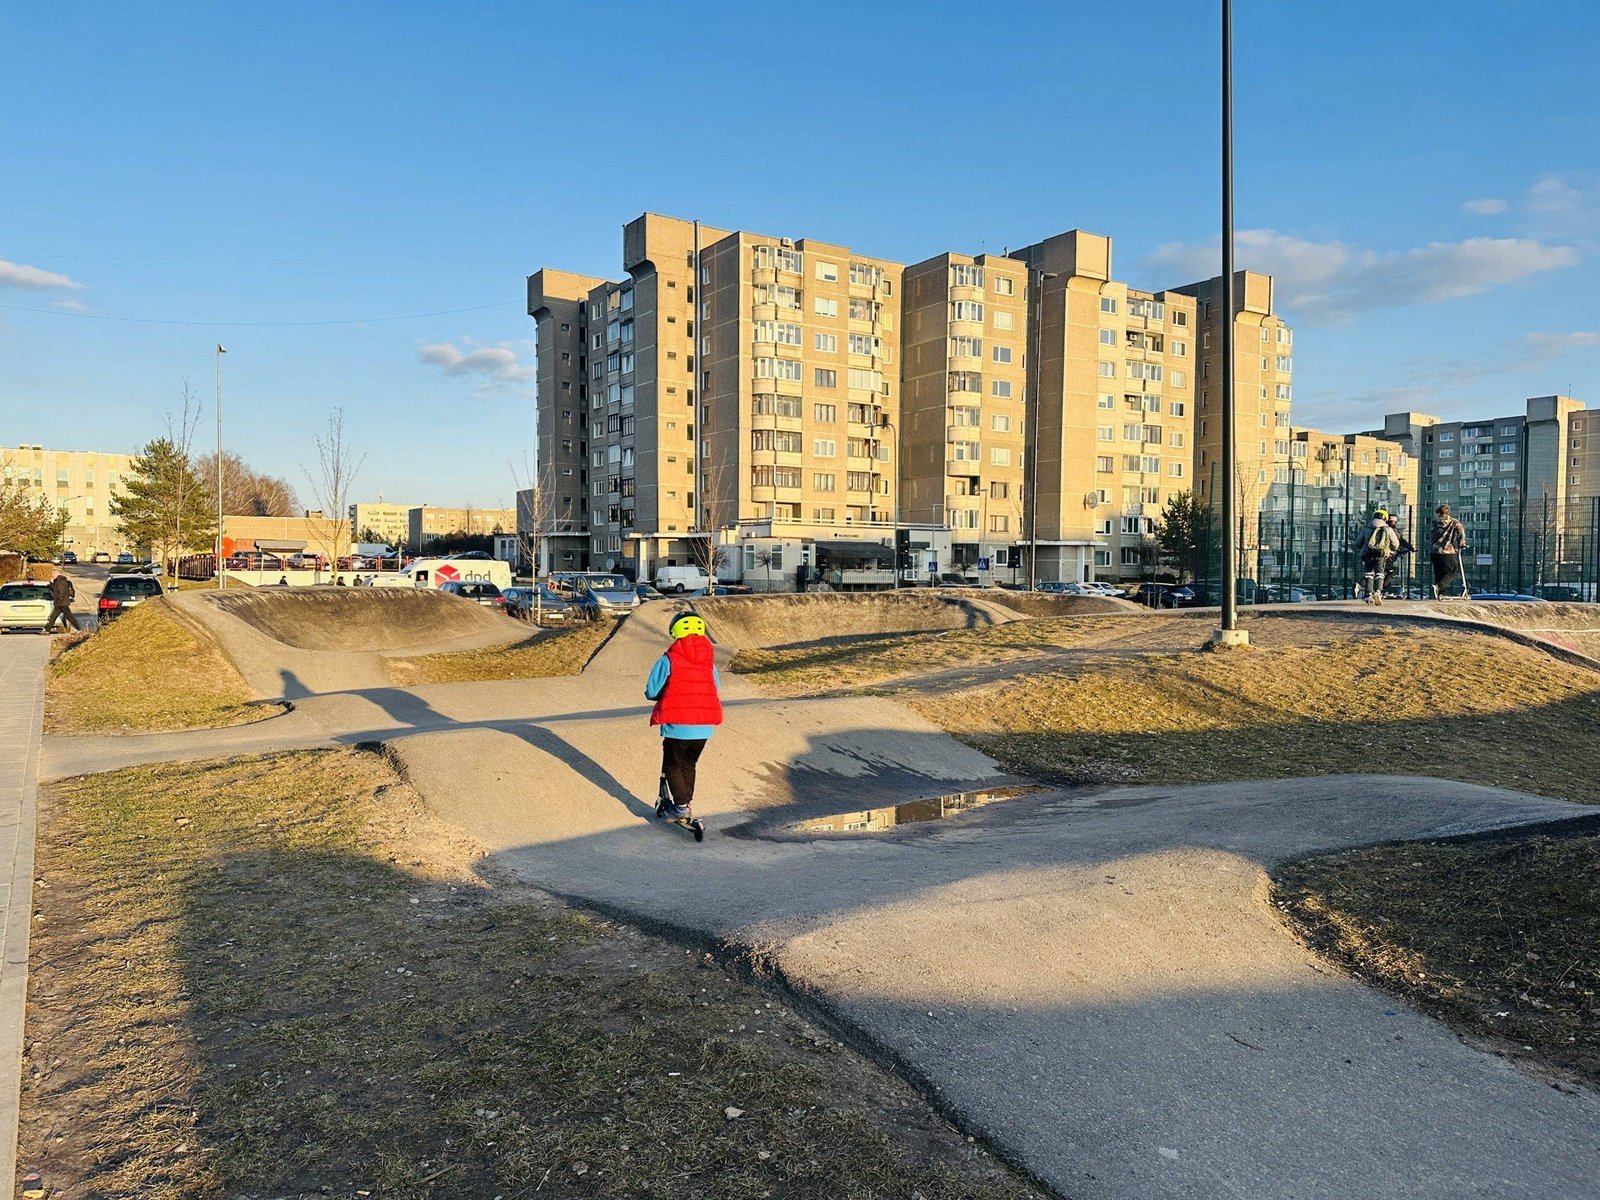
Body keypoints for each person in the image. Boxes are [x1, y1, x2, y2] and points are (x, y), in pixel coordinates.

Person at [644, 610, 723, 822]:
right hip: (704, 727)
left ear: (674, 632)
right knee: (688, 764)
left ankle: (680, 807)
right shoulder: (709, 662)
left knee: (672, 766)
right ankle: (685, 803)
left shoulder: (669, 659)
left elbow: (652, 690)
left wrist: (658, 694)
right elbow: (716, 688)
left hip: (678, 725)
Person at [1358, 509, 1400, 605]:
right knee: (1380, 573)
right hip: (1381, 554)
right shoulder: (1388, 529)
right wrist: (1389, 549)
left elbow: (1358, 542)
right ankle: (1378, 591)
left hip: (1368, 554)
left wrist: (1363, 548)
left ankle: (1369, 594)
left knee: (1368, 573)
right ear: (1385, 518)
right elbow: (1396, 544)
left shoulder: (1367, 528)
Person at [1429, 504, 1467, 599]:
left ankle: (1440, 593)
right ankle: (1439, 587)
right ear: (1448, 512)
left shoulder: (1434, 522)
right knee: (1452, 569)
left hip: (1433, 551)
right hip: (1446, 551)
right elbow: (1461, 532)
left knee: (1439, 572)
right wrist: (1461, 543)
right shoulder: (1454, 522)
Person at [1381, 513, 1415, 597]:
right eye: (1393, 521)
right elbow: (1400, 541)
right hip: (1388, 554)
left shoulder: (1381, 528)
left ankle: (1382, 589)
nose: (1395, 523)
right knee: (1390, 571)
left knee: (1376, 571)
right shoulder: (1391, 530)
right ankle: (1382, 589)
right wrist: (1410, 547)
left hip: (1380, 552)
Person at [44, 567, 81, 633]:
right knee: (53, 617)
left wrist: (59, 600)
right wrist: (51, 582)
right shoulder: (58, 581)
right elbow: (54, 589)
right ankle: (47, 630)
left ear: (56, 574)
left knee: (70, 617)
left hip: (62, 603)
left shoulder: (61, 582)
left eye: (53, 575)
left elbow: (61, 593)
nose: (52, 576)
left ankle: (79, 629)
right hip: (60, 603)